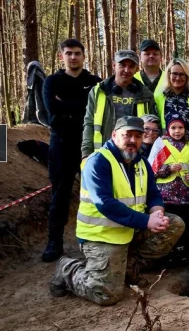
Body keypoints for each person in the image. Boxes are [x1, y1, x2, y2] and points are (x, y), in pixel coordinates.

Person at [50, 116, 184, 306]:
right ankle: (67, 269)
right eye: (127, 135)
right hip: (101, 236)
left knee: (174, 224)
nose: (132, 140)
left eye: (138, 136)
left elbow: (153, 193)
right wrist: (146, 221)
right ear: (114, 135)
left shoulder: (142, 163)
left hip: (129, 230)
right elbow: (105, 203)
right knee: (107, 295)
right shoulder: (98, 162)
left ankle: (128, 267)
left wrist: (156, 211)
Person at [42, 39, 101, 262]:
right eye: (69, 53)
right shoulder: (51, 82)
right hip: (61, 145)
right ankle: (54, 242)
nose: (73, 57)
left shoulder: (94, 82)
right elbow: (52, 112)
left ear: (84, 56)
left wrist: (66, 106)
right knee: (60, 194)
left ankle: (97, 240)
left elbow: (97, 111)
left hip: (90, 145)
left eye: (77, 53)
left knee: (97, 193)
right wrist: (82, 105)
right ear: (61, 56)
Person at [81, 50, 155, 159]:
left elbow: (151, 128)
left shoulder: (146, 95)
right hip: (103, 153)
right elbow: (89, 123)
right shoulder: (98, 91)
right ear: (114, 65)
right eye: (122, 65)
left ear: (136, 69)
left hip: (134, 154)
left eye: (131, 66)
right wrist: (86, 153)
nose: (126, 70)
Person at [155, 114, 189, 263]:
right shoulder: (161, 144)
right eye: (173, 128)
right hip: (166, 196)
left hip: (186, 195)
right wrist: (168, 169)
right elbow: (154, 168)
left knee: (187, 225)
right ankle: (171, 255)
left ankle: (188, 255)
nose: (177, 131)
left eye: (180, 127)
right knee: (171, 226)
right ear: (168, 129)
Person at [154, 58, 189, 141]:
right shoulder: (159, 96)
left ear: (187, 76)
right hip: (167, 147)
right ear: (169, 74)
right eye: (174, 74)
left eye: (182, 74)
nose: (178, 78)